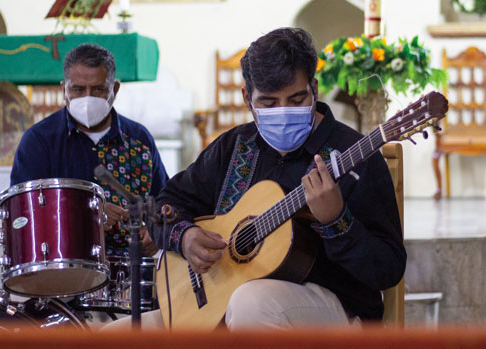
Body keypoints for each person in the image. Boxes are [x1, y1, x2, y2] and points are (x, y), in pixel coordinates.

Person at [137, 27, 405, 329]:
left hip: (336, 310)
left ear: (314, 89)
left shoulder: (354, 157)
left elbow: (388, 269)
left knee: (251, 303)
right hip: (221, 304)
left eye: (297, 98)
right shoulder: (233, 147)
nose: (284, 111)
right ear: (246, 98)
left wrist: (336, 221)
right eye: (268, 103)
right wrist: (184, 237)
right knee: (115, 337)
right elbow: (164, 206)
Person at [10, 43, 169, 257]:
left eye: (98, 89)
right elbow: (21, 216)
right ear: (63, 89)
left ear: (115, 89)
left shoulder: (138, 140)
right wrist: (86, 216)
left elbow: (164, 201)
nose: (87, 98)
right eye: (78, 89)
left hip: (131, 269)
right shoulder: (39, 141)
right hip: (64, 270)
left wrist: (156, 230)